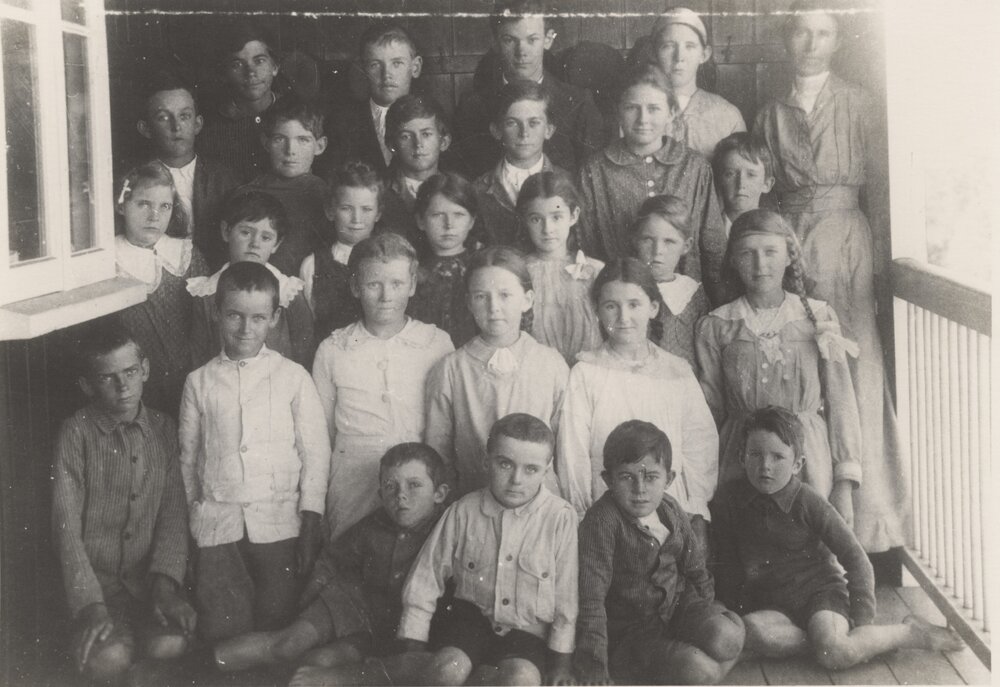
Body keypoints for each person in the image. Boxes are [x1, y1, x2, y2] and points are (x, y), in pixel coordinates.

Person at [752, 0, 905, 553]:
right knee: (801, 363)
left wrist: (881, 258)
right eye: (802, 32)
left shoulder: (860, 104)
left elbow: (883, 188)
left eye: (824, 33)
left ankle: (869, 522)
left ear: (838, 41)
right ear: (788, 40)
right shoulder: (770, 113)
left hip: (846, 240)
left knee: (852, 367)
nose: (812, 43)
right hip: (790, 235)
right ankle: (806, 523)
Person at [711, 406, 963, 670]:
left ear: (798, 464)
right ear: (741, 457)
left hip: (820, 596)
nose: (765, 466)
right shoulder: (730, 500)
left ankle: (908, 633)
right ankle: (821, 642)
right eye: (755, 454)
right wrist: (732, 606)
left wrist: (862, 623)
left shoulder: (808, 502)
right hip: (773, 605)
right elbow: (728, 562)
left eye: (778, 457)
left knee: (836, 651)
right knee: (748, 631)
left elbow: (857, 559)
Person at [178, 262, 330, 642]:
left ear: (275, 318)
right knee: (222, 627)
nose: (246, 328)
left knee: (276, 620)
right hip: (218, 526)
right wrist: (192, 520)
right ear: (217, 313)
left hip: (279, 524)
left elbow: (315, 452)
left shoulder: (293, 377)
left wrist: (310, 519)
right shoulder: (198, 382)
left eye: (258, 317)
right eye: (235, 315)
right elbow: (187, 457)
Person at [213, 443, 449, 678]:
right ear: (380, 495)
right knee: (287, 644)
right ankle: (198, 664)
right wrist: (309, 606)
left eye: (414, 485)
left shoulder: (449, 530)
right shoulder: (372, 526)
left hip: (388, 631)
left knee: (319, 662)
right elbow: (332, 560)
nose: (401, 495)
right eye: (390, 486)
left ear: (439, 494)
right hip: (350, 604)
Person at [696, 210, 862, 523]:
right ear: (733, 260)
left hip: (807, 458)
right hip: (740, 459)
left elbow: (842, 403)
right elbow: (709, 411)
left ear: (789, 255)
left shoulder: (817, 317)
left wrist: (844, 483)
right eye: (748, 254)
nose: (760, 265)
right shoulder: (718, 325)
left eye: (771, 252)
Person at [52, 323, 195, 682]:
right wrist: (91, 606)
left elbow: (173, 515)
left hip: (148, 586)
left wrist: (164, 586)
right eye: (107, 378)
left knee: (170, 645)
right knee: (109, 658)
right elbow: (65, 526)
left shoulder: (163, 428)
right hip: (97, 592)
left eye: (130, 372)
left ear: (144, 369)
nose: (123, 386)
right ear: (87, 386)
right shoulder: (76, 433)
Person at [398, 413, 578, 686]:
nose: (516, 479)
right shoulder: (463, 510)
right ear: (487, 461)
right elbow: (426, 576)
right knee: (446, 670)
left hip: (526, 632)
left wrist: (560, 663)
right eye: (505, 464)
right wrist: (413, 642)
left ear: (546, 469)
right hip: (468, 624)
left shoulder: (560, 518)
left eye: (530, 469)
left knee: (522, 680)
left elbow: (566, 596)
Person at [556, 259, 718, 550]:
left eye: (634, 304)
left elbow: (699, 443)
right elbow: (573, 450)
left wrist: (695, 508)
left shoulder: (676, 371)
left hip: (670, 503)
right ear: (596, 310)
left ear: (653, 307)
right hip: (606, 505)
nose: (623, 317)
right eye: (611, 306)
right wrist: (583, 511)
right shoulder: (586, 372)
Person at [574, 420, 744, 685]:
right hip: (633, 631)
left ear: (669, 478)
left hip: (678, 607)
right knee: (701, 671)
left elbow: (695, 565)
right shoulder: (602, 522)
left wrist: (706, 609)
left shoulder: (670, 508)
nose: (640, 489)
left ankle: (715, 643)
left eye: (651, 477)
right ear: (608, 479)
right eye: (626, 477)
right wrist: (594, 666)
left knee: (727, 639)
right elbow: (591, 599)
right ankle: (702, 664)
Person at [312, 233, 454, 540]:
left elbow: (442, 425)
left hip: (417, 483)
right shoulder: (334, 349)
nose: (386, 296)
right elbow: (321, 435)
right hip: (352, 485)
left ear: (413, 285)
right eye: (373, 284)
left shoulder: (435, 342)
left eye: (397, 284)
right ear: (355, 287)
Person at [577, 63, 727, 306]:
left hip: (684, 302)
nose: (643, 119)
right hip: (620, 300)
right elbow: (586, 247)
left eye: (654, 108)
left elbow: (713, 245)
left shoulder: (695, 167)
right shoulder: (595, 170)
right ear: (618, 111)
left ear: (671, 112)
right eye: (632, 108)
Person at [424, 247, 568, 497]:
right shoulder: (451, 368)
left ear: (527, 300)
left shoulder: (551, 364)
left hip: (540, 504)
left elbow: (566, 447)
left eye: (505, 295)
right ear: (469, 302)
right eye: (481, 296)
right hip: (474, 501)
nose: (494, 307)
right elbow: (438, 452)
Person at [452, 0, 605, 178]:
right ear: (495, 42)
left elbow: (591, 180)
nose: (521, 52)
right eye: (509, 40)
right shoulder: (472, 107)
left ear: (548, 39)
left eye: (532, 40)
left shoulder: (579, 103)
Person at [113, 161, 209, 416]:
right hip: (138, 386)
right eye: (144, 204)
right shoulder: (110, 260)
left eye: (164, 206)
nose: (154, 216)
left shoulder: (185, 254)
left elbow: (207, 323)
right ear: (122, 204)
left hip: (192, 377)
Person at [187, 191, 315, 369]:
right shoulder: (206, 293)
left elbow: (305, 353)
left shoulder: (288, 292)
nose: (255, 243)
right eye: (246, 232)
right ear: (226, 231)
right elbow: (198, 358)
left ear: (276, 244)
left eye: (266, 237)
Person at [136, 71, 240, 270]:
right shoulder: (136, 181)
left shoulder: (224, 179)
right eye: (163, 118)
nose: (176, 127)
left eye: (184, 116)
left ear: (198, 124)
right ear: (146, 129)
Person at [517, 170, 603, 365]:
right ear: (524, 220)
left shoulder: (594, 271)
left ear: (573, 216)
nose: (547, 229)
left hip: (588, 376)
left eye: (556, 217)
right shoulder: (519, 271)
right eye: (536, 219)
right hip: (538, 374)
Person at [240, 97, 329, 276]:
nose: (290, 150)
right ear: (266, 143)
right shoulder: (247, 194)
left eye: (302, 140)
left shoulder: (327, 197)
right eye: (280, 139)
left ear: (319, 146)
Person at [321, 22, 424, 178]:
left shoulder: (431, 118)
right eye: (375, 65)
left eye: (397, 63)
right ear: (363, 70)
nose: (386, 74)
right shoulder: (341, 124)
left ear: (415, 67)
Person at [473, 80, 566, 250]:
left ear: (549, 130)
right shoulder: (479, 190)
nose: (524, 133)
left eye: (534, 123)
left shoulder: (567, 182)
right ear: (497, 130)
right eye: (512, 123)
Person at [300, 160, 383, 343]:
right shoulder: (313, 265)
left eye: (366, 209)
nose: (356, 219)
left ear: (378, 214)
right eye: (346, 208)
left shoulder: (388, 260)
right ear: (330, 211)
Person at [648, 7, 746, 159]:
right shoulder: (639, 112)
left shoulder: (727, 116)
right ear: (654, 54)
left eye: (690, 46)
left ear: (704, 54)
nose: (679, 57)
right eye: (668, 46)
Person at [631, 194, 709, 368]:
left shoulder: (693, 294)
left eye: (669, 241)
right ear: (635, 240)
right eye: (648, 240)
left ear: (686, 246)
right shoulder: (626, 289)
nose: (657, 251)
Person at [198, 20, 282, 183]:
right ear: (224, 74)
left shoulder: (298, 114)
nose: (250, 72)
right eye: (237, 64)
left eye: (259, 61)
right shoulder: (209, 129)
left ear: (275, 67)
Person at [408, 172, 480, 347]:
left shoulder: (481, 268)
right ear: (420, 221)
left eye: (459, 215)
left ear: (472, 221)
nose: (449, 224)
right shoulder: (412, 271)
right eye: (438, 215)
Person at [378, 93, 454, 249]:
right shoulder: (380, 192)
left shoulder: (458, 190)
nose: (418, 144)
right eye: (406, 136)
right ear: (392, 145)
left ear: (444, 142)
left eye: (426, 134)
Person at [711, 132, 775, 241]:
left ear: (766, 184)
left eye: (751, 175)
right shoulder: (710, 231)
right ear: (719, 181)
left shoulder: (775, 232)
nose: (741, 184)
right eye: (730, 174)